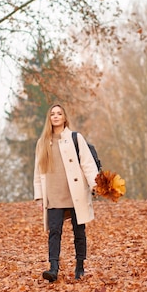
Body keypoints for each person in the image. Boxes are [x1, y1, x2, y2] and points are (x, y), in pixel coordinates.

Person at [33, 103, 99, 282]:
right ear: (49, 118)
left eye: (59, 113)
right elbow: (38, 172)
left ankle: (80, 266)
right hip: (53, 195)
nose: (55, 116)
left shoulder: (75, 138)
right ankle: (53, 268)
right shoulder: (43, 142)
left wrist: (96, 184)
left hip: (75, 193)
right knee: (54, 231)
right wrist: (39, 197)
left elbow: (87, 164)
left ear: (64, 117)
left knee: (79, 231)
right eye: (52, 114)